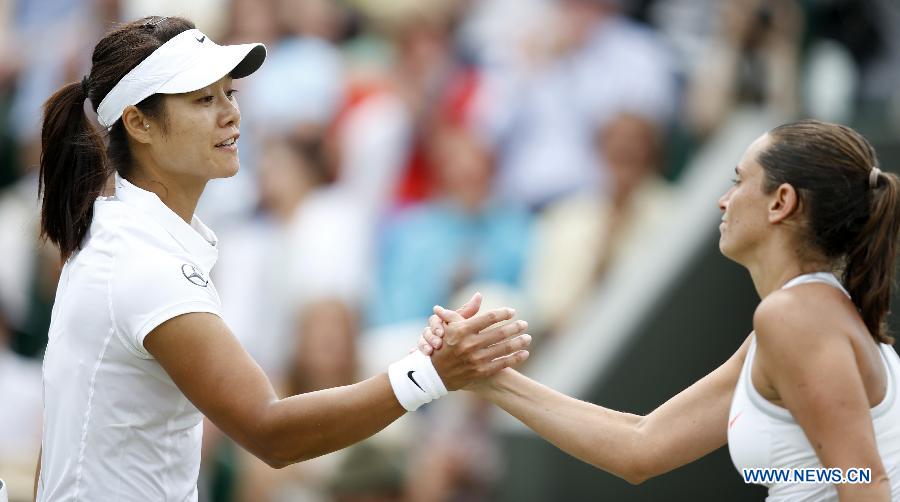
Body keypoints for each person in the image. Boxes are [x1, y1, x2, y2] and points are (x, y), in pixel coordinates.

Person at [35, 16, 531, 501]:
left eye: (230, 93)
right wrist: (431, 374)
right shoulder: (143, 262)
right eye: (204, 99)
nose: (230, 113)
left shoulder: (126, 235)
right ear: (139, 123)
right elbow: (271, 431)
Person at [421, 119, 900, 500]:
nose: (723, 200)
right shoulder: (794, 321)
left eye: (738, 182)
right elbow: (640, 447)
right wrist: (483, 375)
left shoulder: (793, 317)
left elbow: (865, 485)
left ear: (781, 202)